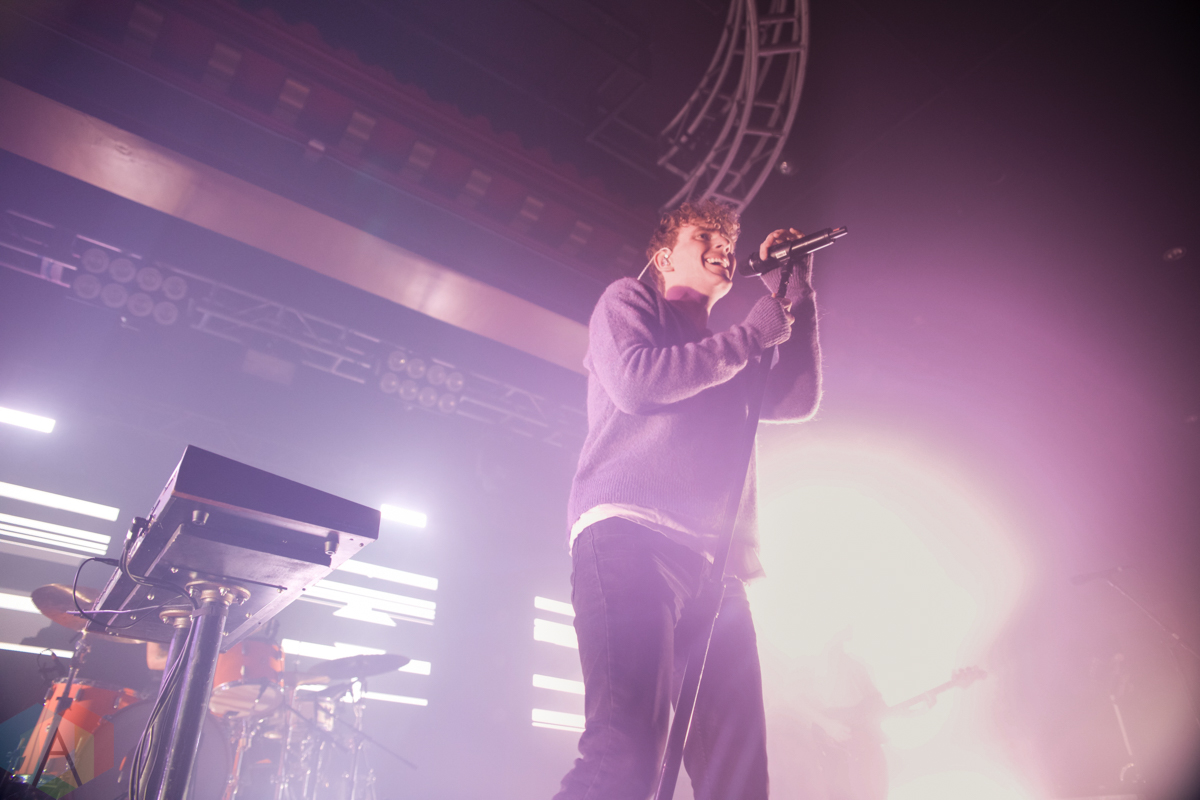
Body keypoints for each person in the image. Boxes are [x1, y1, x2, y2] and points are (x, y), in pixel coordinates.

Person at [554, 199, 823, 800]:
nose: (723, 246)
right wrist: (751, 335)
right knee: (627, 753)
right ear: (663, 257)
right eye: (705, 235)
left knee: (739, 779)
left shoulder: (728, 351)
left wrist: (795, 294)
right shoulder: (629, 301)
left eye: (728, 241)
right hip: (630, 539)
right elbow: (637, 383)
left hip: (716, 568)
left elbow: (796, 399)